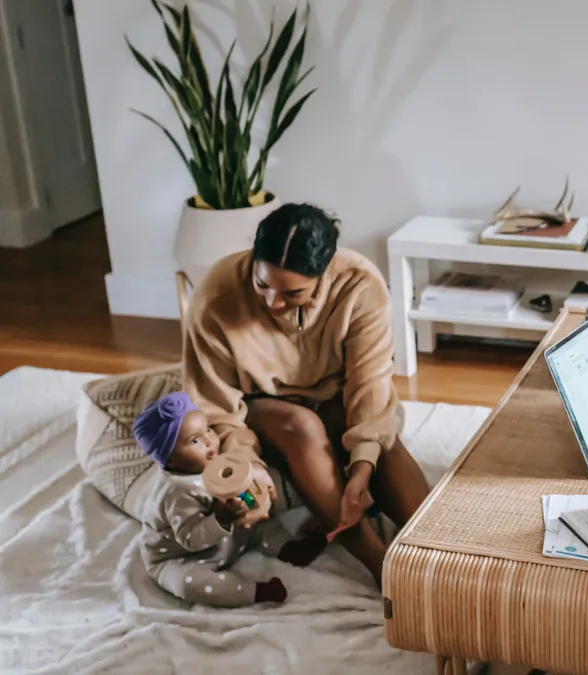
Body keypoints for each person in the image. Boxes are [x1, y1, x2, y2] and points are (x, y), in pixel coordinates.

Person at [183, 203, 431, 586]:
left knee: (384, 445)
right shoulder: (217, 293)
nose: (272, 303)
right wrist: (246, 468)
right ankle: (383, 569)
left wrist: (362, 467)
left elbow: (370, 387)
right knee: (301, 425)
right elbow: (215, 406)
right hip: (264, 405)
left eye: (292, 293)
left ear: (323, 273)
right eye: (262, 284)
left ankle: (441, 552)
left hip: (338, 396)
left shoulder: (360, 285)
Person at [132, 391, 327, 607]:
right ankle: (253, 592)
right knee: (189, 584)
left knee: (261, 523)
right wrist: (220, 518)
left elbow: (242, 489)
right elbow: (191, 539)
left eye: (208, 429)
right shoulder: (176, 493)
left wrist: (255, 498)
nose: (210, 442)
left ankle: (289, 549)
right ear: (170, 460)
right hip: (185, 556)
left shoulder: (214, 459)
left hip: (225, 538)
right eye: (195, 440)